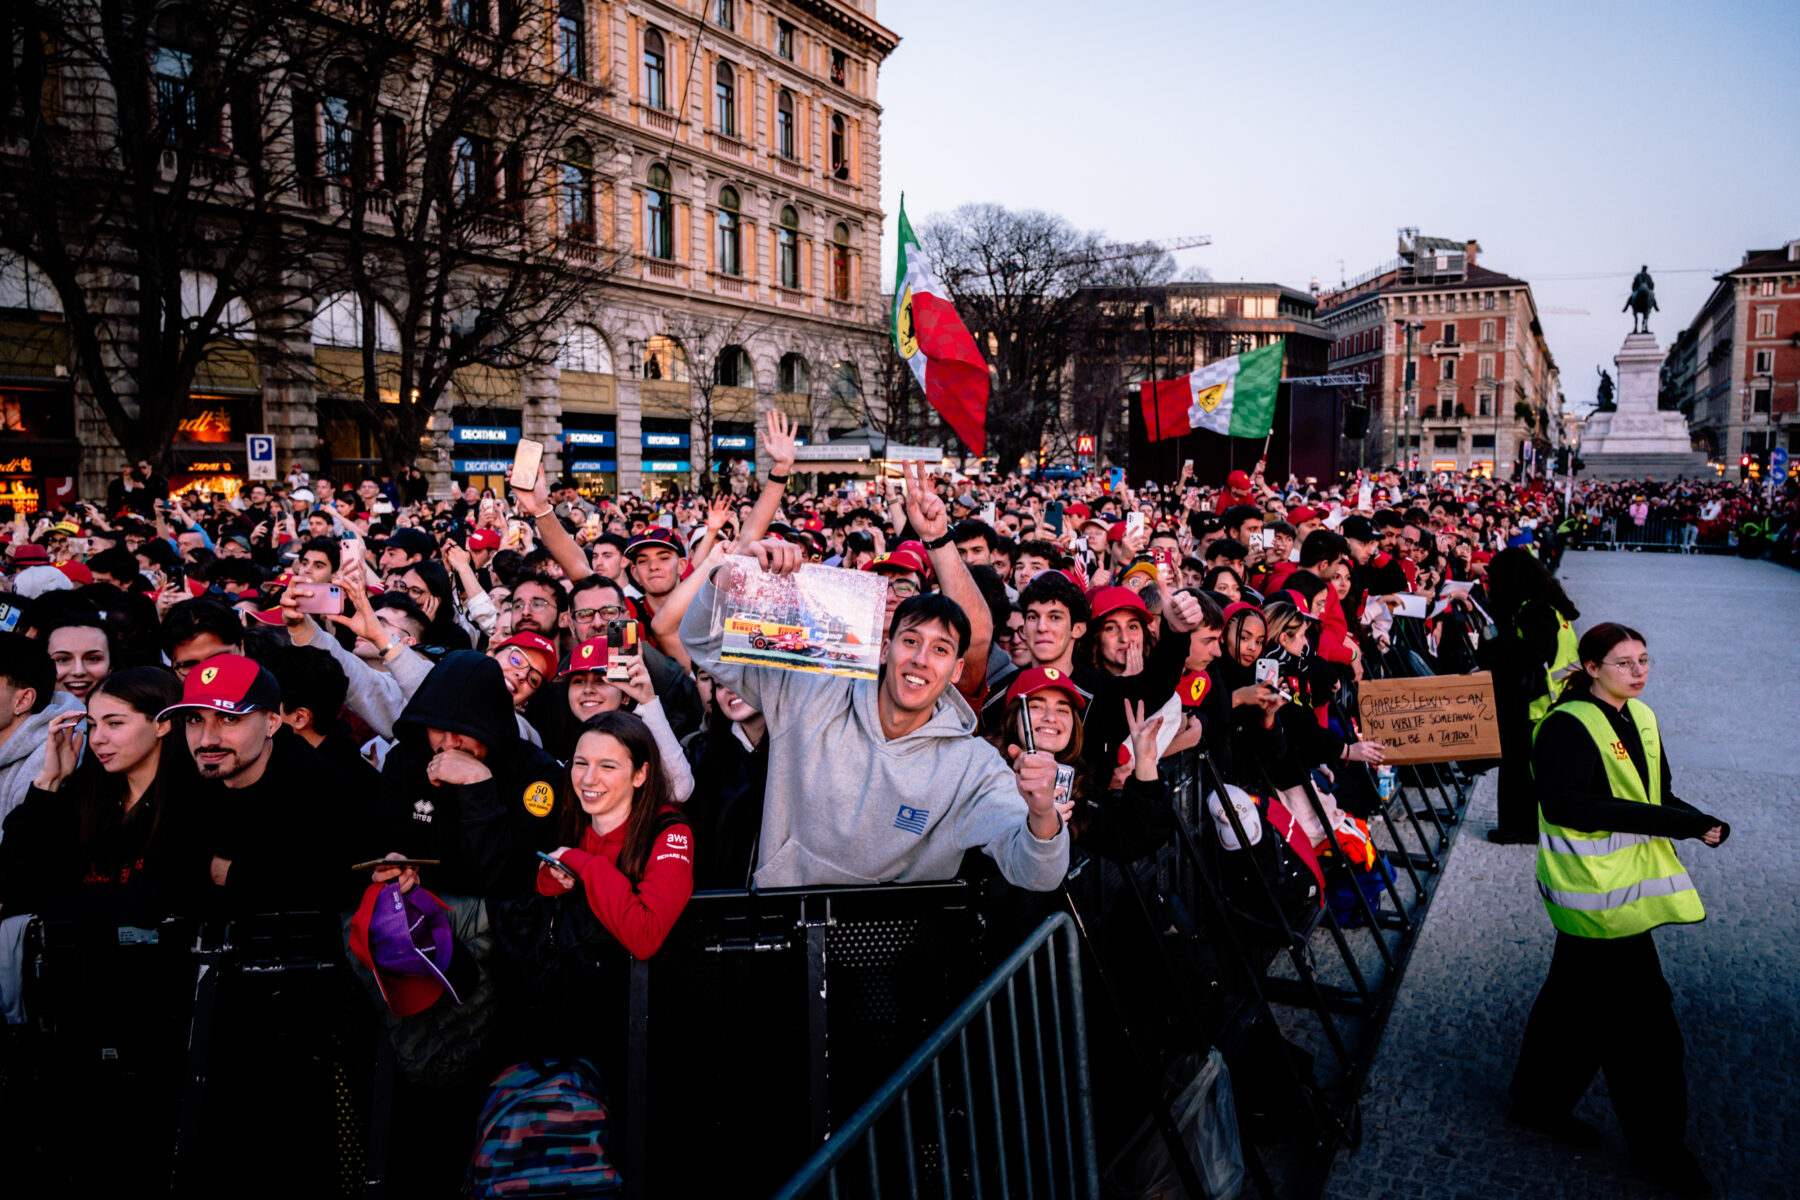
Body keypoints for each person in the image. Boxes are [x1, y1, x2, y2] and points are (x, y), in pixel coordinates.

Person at [681, 534, 1069, 891]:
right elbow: (700, 640)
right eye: (911, 641)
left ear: (956, 670)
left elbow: (1039, 874)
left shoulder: (973, 766)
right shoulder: (810, 690)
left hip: (899, 935)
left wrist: (1041, 815)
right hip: (788, 919)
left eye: (940, 650)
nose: (921, 660)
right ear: (885, 649)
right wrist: (735, 575)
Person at [1508, 623, 1728, 1199]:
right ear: (1591, 668)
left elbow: (1654, 795)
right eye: (1624, 663)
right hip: (1592, 895)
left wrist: (1695, 819)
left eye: (1644, 660)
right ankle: (1661, 1153)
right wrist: (1675, 823)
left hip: (1619, 894)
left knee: (1572, 1007)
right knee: (1648, 1033)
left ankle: (1535, 1103)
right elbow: (1568, 806)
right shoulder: (1565, 725)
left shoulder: (1643, 716)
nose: (1638, 672)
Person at [0, 667, 200, 1023]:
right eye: (92, 725)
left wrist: (56, 907)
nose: (97, 739)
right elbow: (12, 882)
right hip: (79, 1003)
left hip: (165, 1004)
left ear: (163, 725)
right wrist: (48, 783)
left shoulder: (191, 799)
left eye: (115, 723)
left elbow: (151, 904)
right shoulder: (87, 797)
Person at [164, 654, 360, 915]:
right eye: (195, 720)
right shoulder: (183, 780)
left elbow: (328, 889)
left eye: (229, 718)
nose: (207, 739)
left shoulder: (318, 788)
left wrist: (233, 874)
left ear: (272, 723)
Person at [533, 711, 694, 962]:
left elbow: (645, 938)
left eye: (607, 766)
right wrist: (552, 878)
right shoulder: (569, 811)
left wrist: (583, 863)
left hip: (640, 981)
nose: (588, 779)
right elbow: (540, 897)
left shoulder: (670, 832)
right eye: (581, 763)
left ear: (640, 774)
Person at [1481, 546, 1582, 844]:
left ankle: (1518, 828)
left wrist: (1489, 652)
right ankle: (1528, 825)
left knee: (1518, 768)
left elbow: (1530, 655)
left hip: (1538, 703)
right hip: (1556, 697)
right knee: (1531, 768)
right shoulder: (1548, 603)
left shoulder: (1533, 610)